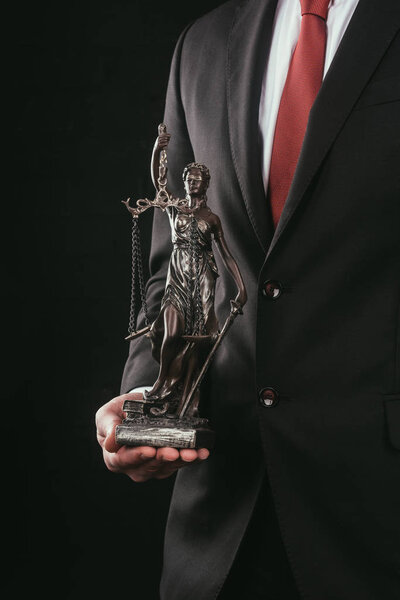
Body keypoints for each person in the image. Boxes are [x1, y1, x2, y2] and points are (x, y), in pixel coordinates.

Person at [96, 0, 400, 598]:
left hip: (378, 515)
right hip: (219, 526)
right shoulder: (204, 44)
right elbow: (172, 272)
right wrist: (145, 401)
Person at [144, 131, 246, 415]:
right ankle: (162, 381)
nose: (192, 184)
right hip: (176, 278)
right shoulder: (175, 209)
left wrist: (241, 288)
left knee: (195, 340)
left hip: (202, 280)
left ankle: (186, 393)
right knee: (170, 332)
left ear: (206, 185)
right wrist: (156, 152)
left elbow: (226, 254)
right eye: (189, 180)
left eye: (197, 180)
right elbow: (158, 182)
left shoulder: (211, 219)